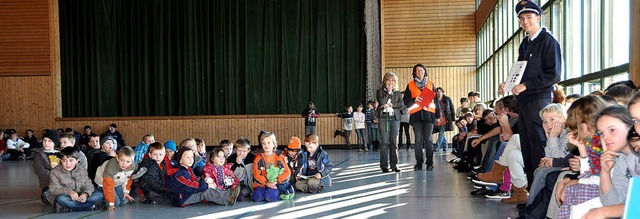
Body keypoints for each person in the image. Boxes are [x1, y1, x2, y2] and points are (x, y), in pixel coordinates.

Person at [499, 0, 562, 187]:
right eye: (521, 18)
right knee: (527, 150)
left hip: (539, 102)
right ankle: (531, 197)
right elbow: (520, 70)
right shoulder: (525, 44)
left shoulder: (549, 41)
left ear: (538, 18)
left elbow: (554, 74)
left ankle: (541, 200)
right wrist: (509, 84)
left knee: (538, 149)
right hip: (524, 103)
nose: (525, 22)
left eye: (528, 17)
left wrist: (527, 85)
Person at [166, 147, 240, 207]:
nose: (191, 159)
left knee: (208, 188)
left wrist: (205, 181)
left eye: (192, 157)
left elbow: (195, 179)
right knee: (205, 192)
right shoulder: (177, 173)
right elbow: (189, 185)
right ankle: (227, 198)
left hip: (186, 194)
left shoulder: (188, 169)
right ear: (180, 160)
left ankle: (228, 195)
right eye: (187, 157)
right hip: (180, 198)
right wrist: (205, 185)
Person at [403, 64, 440, 171]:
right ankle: (419, 163)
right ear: (414, 73)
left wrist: (438, 116)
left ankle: (430, 163)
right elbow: (405, 101)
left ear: (425, 71)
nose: (420, 72)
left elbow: (436, 101)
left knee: (428, 140)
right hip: (416, 116)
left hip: (429, 116)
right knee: (418, 140)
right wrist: (415, 100)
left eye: (421, 70)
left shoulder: (431, 84)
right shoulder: (410, 85)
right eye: (417, 71)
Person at [49, 147, 104, 213]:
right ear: (60, 160)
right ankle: (89, 206)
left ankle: (72, 207)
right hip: (67, 196)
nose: (67, 164)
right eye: (64, 160)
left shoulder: (82, 170)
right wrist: (69, 192)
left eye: (71, 160)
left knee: (99, 194)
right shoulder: (55, 172)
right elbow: (53, 189)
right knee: (60, 199)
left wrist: (85, 194)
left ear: (77, 161)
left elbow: (89, 185)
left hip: (81, 195)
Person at [252, 132, 293, 202]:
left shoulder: (280, 157)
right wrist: (266, 183)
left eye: (268, 142)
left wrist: (276, 181)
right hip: (262, 184)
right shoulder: (258, 158)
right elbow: (256, 174)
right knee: (257, 197)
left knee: (270, 197)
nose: (266, 145)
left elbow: (287, 172)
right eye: (263, 143)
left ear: (274, 144)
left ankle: (284, 190)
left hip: (276, 184)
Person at [378, 72, 405, 173]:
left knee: (394, 143)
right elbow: (381, 102)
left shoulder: (398, 93)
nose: (391, 83)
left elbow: (401, 105)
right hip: (383, 118)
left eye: (393, 81)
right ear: (385, 81)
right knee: (384, 143)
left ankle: (395, 165)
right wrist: (388, 93)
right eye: (388, 80)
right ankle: (384, 166)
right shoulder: (380, 91)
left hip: (395, 118)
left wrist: (391, 105)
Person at [94, 146, 136, 210]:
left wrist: (126, 192)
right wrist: (111, 204)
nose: (124, 164)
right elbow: (108, 185)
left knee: (125, 201)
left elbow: (128, 179)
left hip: (117, 182)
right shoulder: (111, 167)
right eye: (122, 160)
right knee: (115, 203)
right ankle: (100, 200)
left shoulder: (132, 167)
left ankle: (109, 196)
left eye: (128, 161)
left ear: (132, 162)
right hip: (104, 182)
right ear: (117, 158)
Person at [32, 130, 61, 205]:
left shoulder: (60, 153)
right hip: (48, 183)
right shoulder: (39, 154)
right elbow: (40, 171)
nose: (46, 143)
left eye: (49, 141)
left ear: (55, 142)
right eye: (44, 140)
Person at [227, 137, 255, 202]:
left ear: (249, 150)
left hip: (249, 185)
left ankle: (242, 193)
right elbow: (230, 174)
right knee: (239, 196)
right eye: (239, 150)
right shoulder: (231, 159)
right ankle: (236, 193)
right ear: (235, 150)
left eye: (244, 151)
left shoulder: (253, 158)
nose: (241, 153)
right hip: (237, 184)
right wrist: (236, 164)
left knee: (243, 195)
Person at [434, 87, 456, 152]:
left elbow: (452, 108)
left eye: (440, 91)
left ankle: (437, 147)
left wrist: (452, 118)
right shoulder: (434, 99)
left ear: (442, 92)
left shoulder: (447, 99)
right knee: (442, 132)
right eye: (437, 91)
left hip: (445, 117)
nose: (439, 93)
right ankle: (445, 145)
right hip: (437, 117)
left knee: (441, 132)